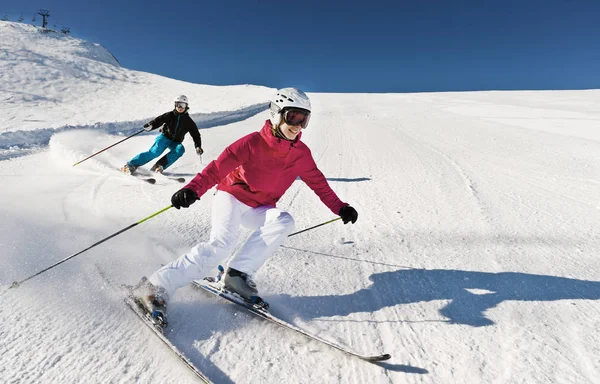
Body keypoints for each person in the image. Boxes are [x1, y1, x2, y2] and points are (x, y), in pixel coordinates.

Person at [134, 88, 358, 321]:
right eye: (293, 117)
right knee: (222, 244)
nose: (298, 125)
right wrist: (192, 189)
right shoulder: (252, 142)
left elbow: (319, 184)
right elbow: (217, 168)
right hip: (231, 196)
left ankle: (237, 276)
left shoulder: (301, 154)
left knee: (283, 221)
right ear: (277, 114)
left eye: (304, 119)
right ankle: (154, 286)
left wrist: (340, 207)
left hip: (259, 207)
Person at [122, 95, 203, 175]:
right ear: (175, 105)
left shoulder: (188, 121)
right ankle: (131, 165)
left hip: (175, 142)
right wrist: (151, 125)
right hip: (165, 138)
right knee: (155, 152)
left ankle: (159, 166)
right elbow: (159, 120)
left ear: (186, 106)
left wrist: (198, 146)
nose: (180, 107)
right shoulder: (170, 115)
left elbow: (195, 134)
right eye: (178, 104)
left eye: (183, 105)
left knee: (180, 150)